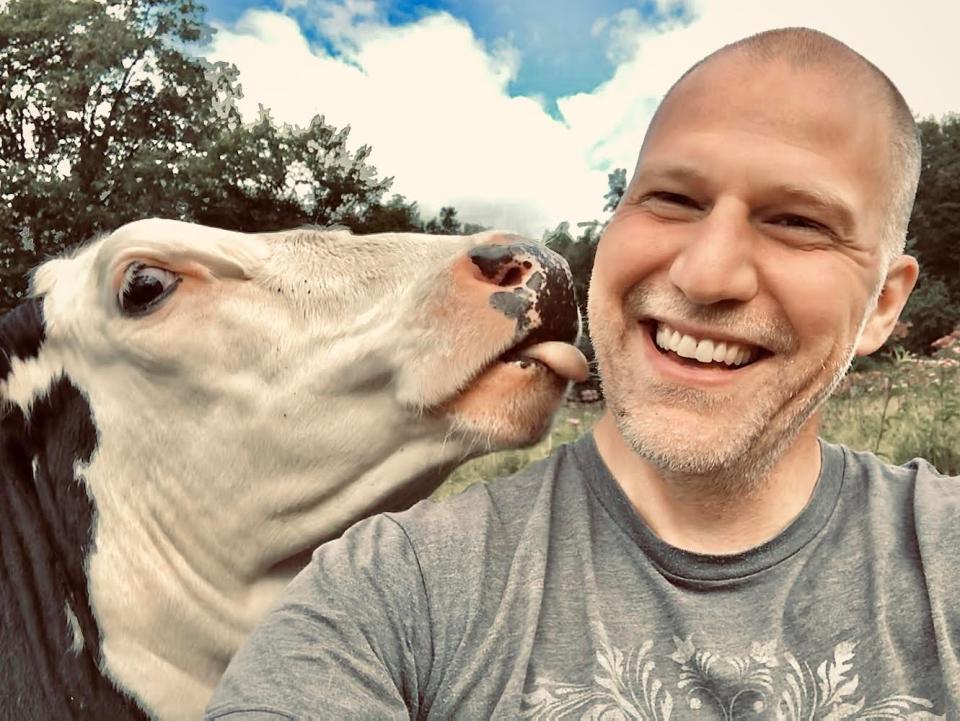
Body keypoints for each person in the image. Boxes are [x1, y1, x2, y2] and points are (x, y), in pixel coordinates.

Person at [206, 27, 959, 720]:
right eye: (672, 198)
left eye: (797, 221)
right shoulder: (387, 595)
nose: (705, 274)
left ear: (884, 304)